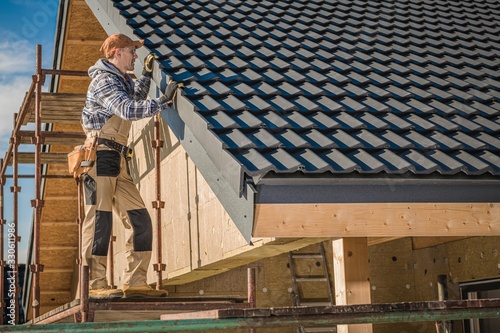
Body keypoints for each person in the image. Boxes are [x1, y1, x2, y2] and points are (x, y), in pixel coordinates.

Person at [80, 33, 177, 299]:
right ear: (116, 52)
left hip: (118, 158)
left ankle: (135, 283)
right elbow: (128, 110)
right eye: (132, 51)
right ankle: (94, 285)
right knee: (99, 221)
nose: (135, 56)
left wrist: (145, 77)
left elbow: (134, 99)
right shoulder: (103, 80)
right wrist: (163, 103)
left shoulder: (120, 79)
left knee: (140, 220)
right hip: (100, 156)